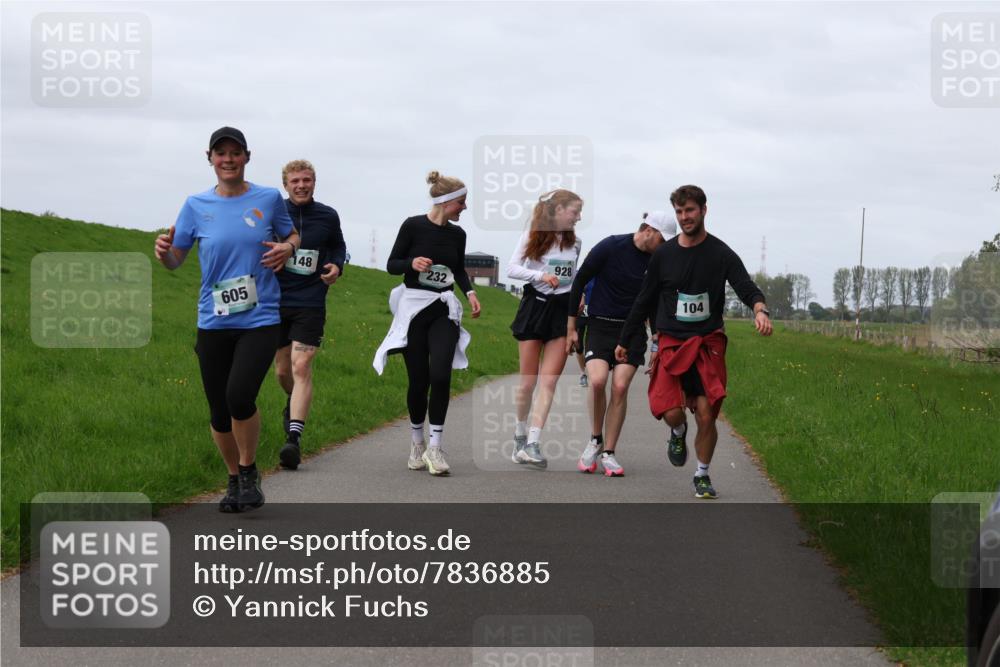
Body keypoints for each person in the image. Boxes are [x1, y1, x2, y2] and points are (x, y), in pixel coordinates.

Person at [154, 126, 298, 513]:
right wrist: (163, 252)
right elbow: (175, 260)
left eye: (236, 153)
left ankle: (250, 472)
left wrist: (286, 246)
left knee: (239, 396)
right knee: (218, 409)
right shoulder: (195, 205)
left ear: (247, 157)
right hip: (214, 319)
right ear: (210, 158)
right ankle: (233, 480)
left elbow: (293, 235)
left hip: (260, 316)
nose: (228, 159)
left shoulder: (268, 199)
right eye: (221, 154)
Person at [618, 185, 772, 499]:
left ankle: (702, 474)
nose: (685, 217)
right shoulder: (664, 254)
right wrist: (626, 338)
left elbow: (745, 285)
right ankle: (677, 432)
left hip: (706, 342)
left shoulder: (721, 253)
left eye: (690, 210)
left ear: (703, 210)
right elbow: (644, 299)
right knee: (672, 411)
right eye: (679, 211)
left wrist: (760, 308)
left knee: (707, 414)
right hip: (672, 340)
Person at [373, 171, 481, 476]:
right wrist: (411, 263)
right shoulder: (413, 226)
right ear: (445, 203)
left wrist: (470, 292)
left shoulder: (457, 235)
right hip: (414, 311)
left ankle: (436, 447)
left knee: (441, 375)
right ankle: (417, 443)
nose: (464, 208)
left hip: (443, 310)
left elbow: (457, 268)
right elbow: (392, 264)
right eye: (461, 202)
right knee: (419, 381)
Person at [567, 212, 674, 476]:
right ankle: (595, 439)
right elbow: (579, 280)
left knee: (620, 385)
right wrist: (571, 327)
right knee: (598, 381)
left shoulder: (657, 261)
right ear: (649, 230)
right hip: (601, 325)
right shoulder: (611, 246)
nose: (665, 246)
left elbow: (653, 302)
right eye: (663, 239)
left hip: (633, 331)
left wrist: (656, 342)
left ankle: (609, 453)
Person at [273, 159, 347, 470]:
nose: (301, 185)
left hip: (311, 300)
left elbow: (338, 247)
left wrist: (336, 266)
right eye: (295, 181)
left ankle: (293, 439)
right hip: (275, 300)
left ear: (314, 182)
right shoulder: (274, 214)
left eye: (306, 180)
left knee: (301, 365)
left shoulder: (328, 216)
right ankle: (293, 405)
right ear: (285, 185)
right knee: (282, 372)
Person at [507, 189, 583, 469]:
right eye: (574, 211)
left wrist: (579, 297)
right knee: (528, 383)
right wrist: (541, 275)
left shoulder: (576, 244)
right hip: (534, 308)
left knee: (549, 381)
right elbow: (512, 268)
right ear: (558, 210)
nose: (578, 217)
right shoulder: (533, 236)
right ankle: (519, 436)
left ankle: (534, 443)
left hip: (561, 314)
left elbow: (573, 278)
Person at [572, 280, 594, 387]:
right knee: (579, 345)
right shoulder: (583, 272)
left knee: (592, 343)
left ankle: (592, 371)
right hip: (581, 311)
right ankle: (583, 373)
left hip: (595, 312)